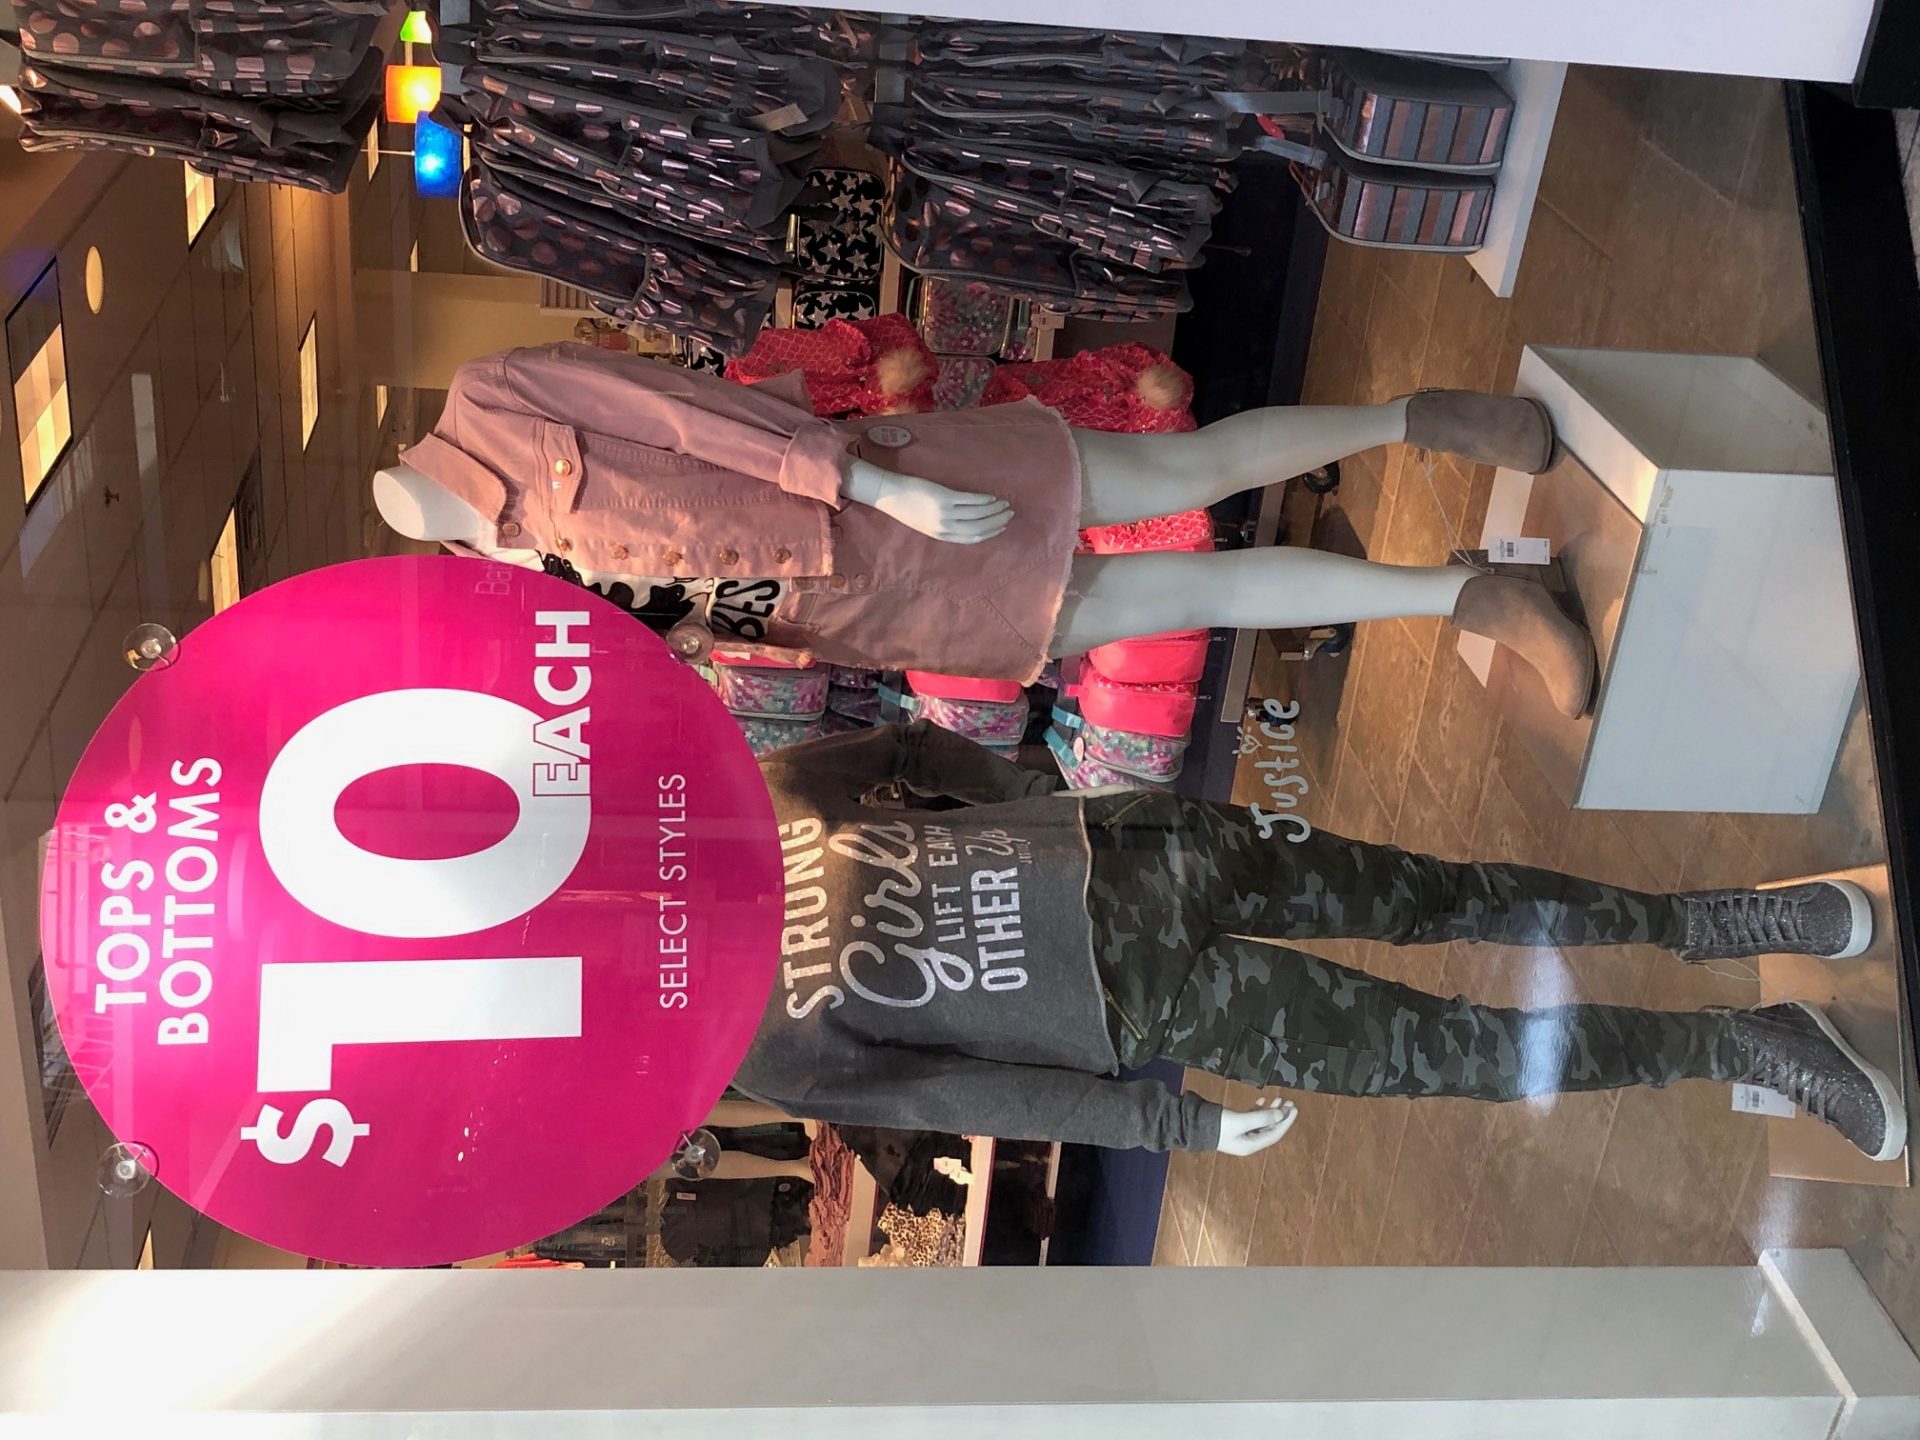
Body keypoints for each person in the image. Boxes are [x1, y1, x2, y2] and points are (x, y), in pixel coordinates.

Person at [733, 722, 1904, 1163]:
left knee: (1442, 897)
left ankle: (1704, 920)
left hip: (1147, 849)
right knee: (1464, 1055)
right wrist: (1167, 1124)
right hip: (1152, 1000)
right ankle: (1742, 1043)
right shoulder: (753, 1052)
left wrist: (1035, 794)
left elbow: (908, 750)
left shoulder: (753, 802)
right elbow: (960, 1096)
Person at [382, 343, 1594, 717]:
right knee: (1190, 599)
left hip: (882, 492)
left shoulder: (495, 397)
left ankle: (1417, 418)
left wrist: (874, 484)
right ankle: (1469, 599)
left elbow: (693, 418)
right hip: (864, 607)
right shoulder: (495, 582)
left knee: (1187, 470)